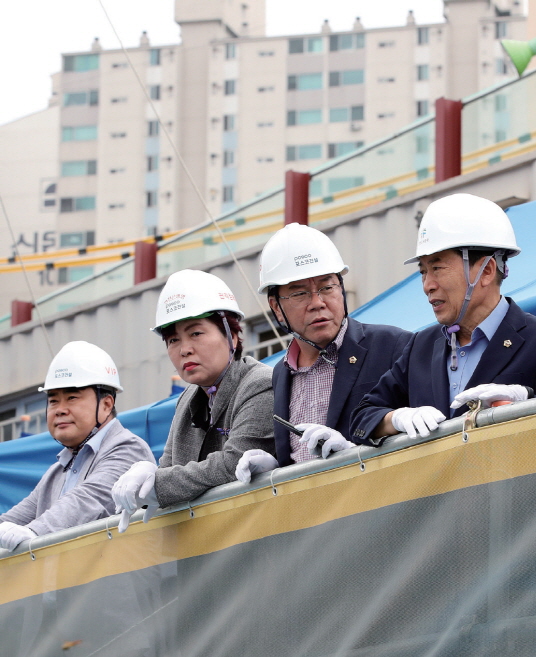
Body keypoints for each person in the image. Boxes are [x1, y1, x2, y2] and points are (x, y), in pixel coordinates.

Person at [350, 193, 536, 445]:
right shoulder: (420, 347)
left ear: (486, 271)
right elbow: (362, 418)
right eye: (423, 272)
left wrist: (527, 398)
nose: (427, 285)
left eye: (437, 268)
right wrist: (396, 419)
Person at [235, 224, 412, 482]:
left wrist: (353, 452)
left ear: (341, 287)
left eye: (327, 287)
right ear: (276, 307)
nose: (317, 302)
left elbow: (423, 437)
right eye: (300, 293)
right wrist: (274, 468)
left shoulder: (392, 345)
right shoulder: (281, 373)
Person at [111, 269, 275, 531]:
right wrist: (149, 477)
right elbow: (168, 465)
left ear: (231, 336)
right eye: (173, 340)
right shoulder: (187, 399)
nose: (184, 349)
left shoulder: (260, 383)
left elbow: (233, 463)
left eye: (196, 333)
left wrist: (156, 485)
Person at [0, 342, 154, 550]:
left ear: (106, 404)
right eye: (53, 401)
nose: (60, 409)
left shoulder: (128, 449)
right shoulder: (57, 472)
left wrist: (35, 533)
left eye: (71, 398)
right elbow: (16, 518)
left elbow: (89, 500)